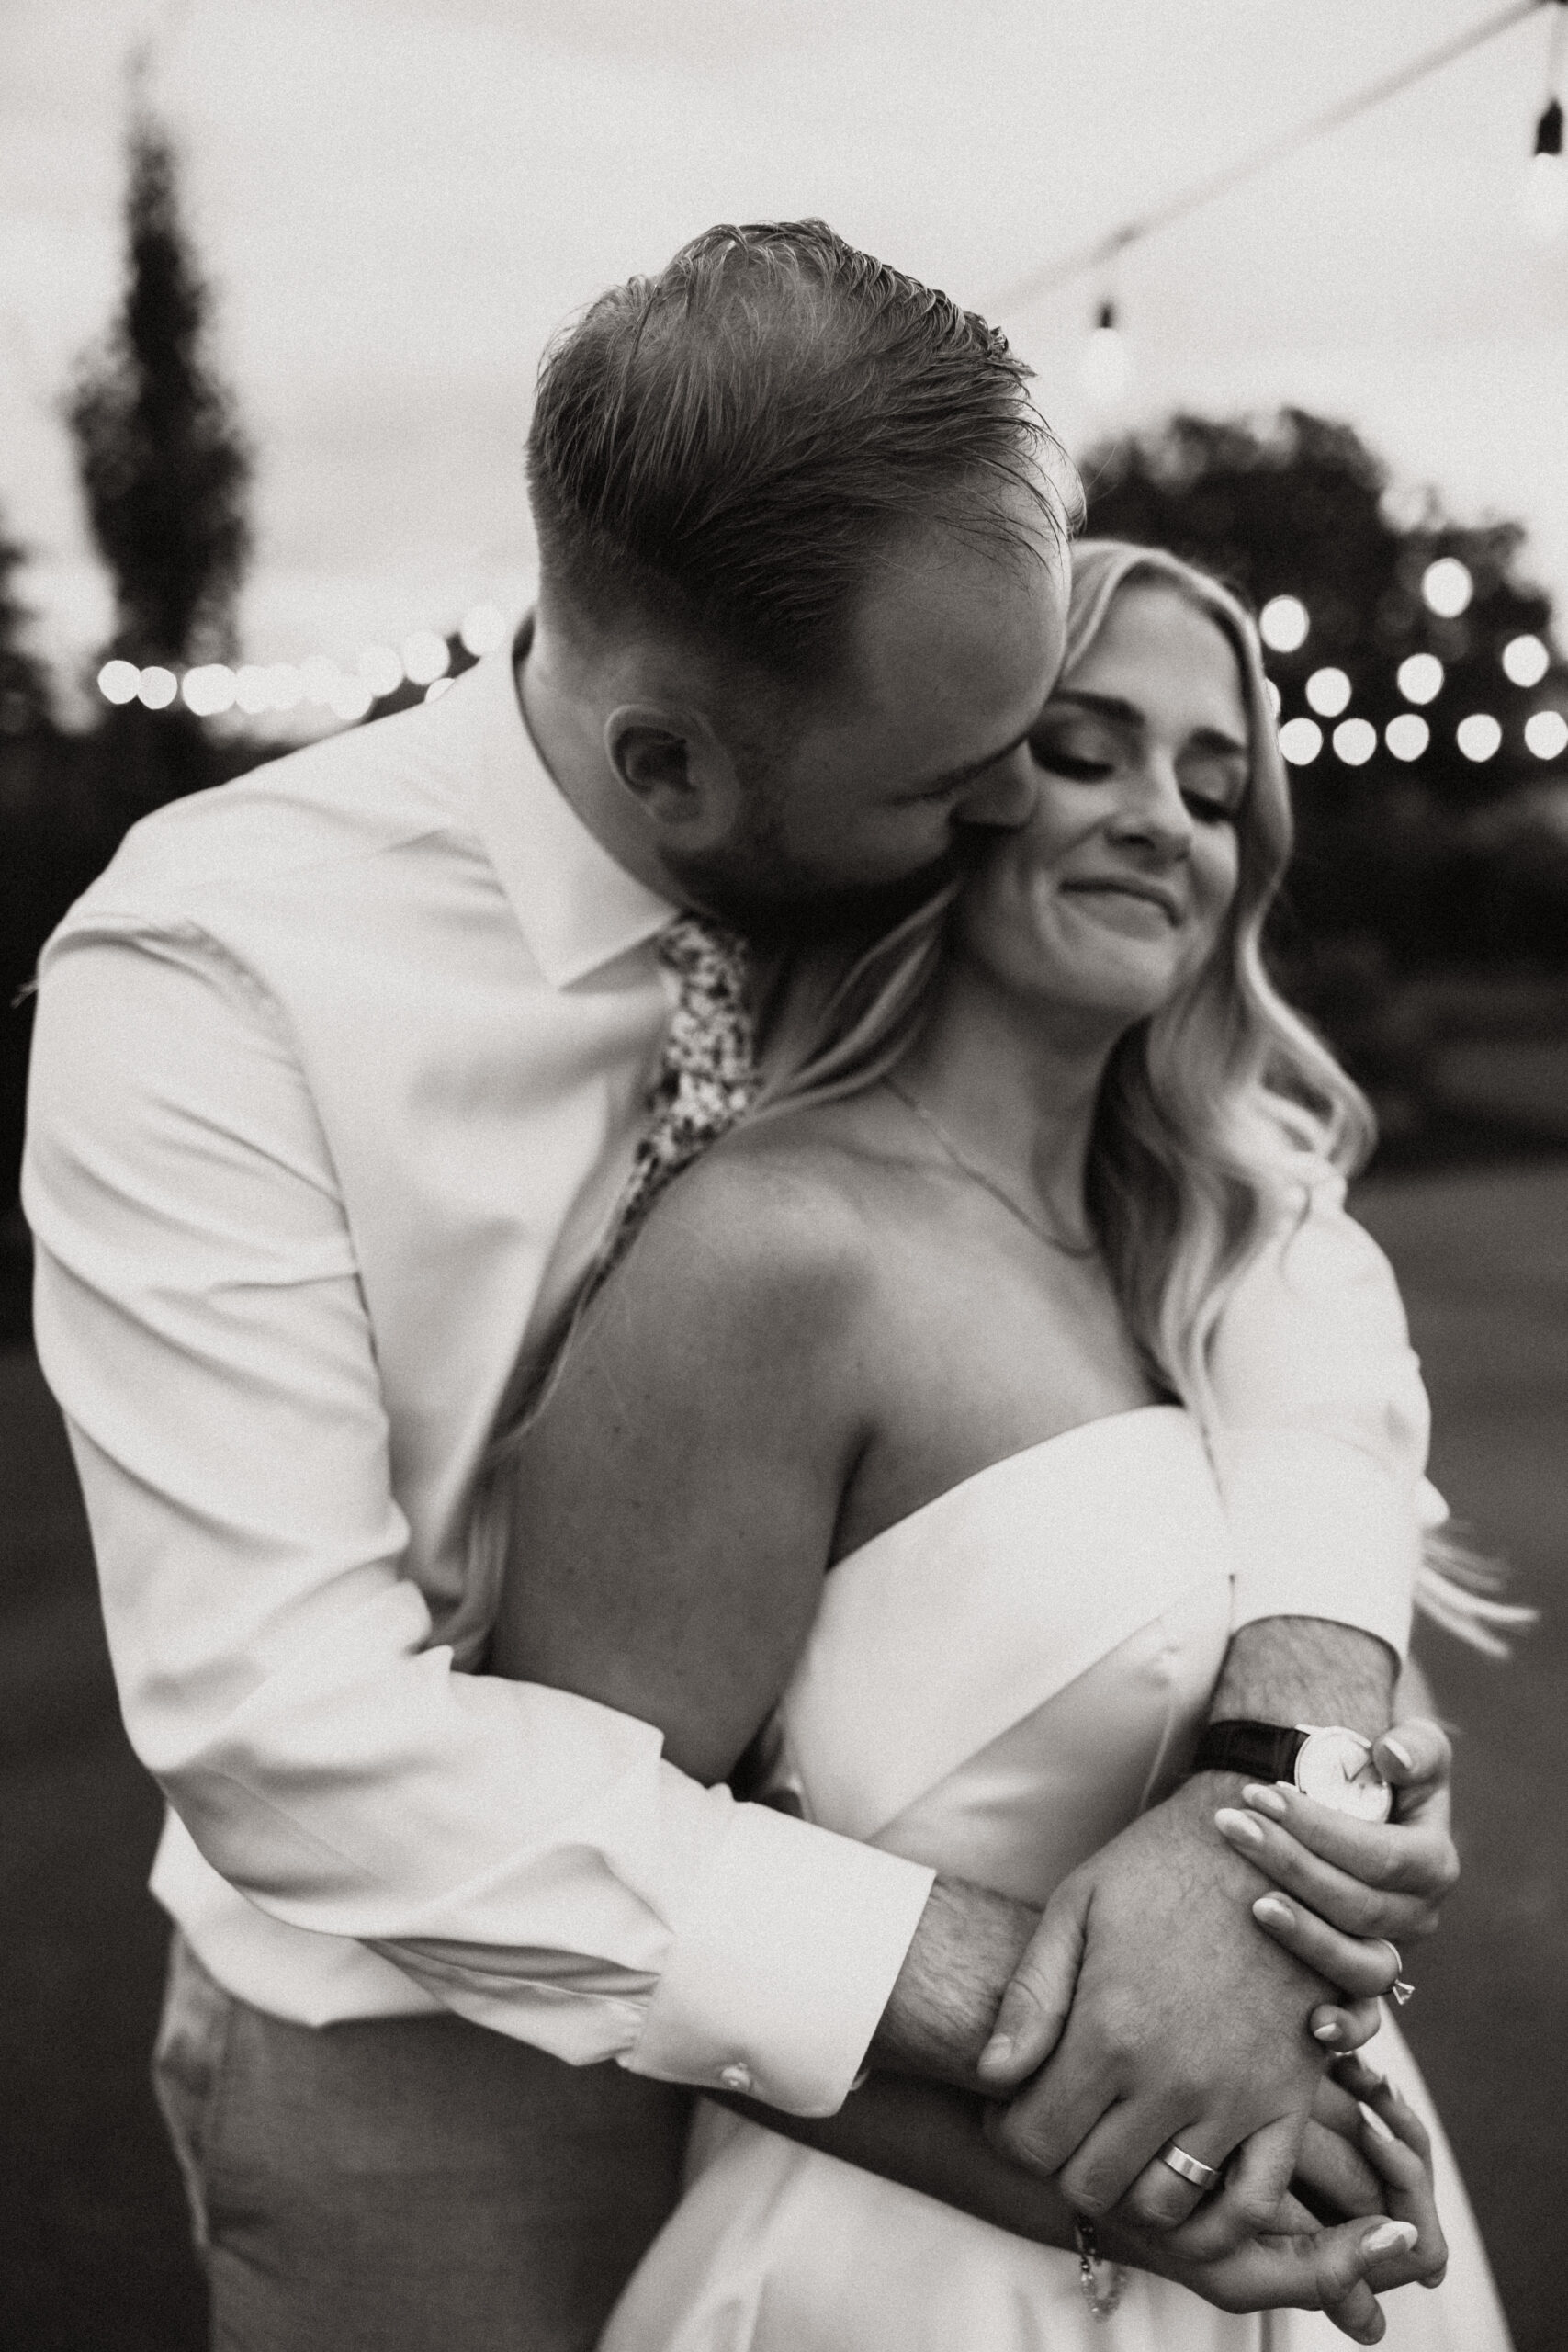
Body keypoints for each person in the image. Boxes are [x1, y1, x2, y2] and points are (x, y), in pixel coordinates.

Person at [21, 224, 1461, 2352]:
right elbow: (282, 1726)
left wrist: (1284, 1753)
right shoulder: (219, 973)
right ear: (668, 770)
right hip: (429, 2065)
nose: (1015, 805)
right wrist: (1071, 1986)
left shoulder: (870, 835)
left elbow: (1266, 1223)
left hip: (903, 2069)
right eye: (970, 770)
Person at [486, 540, 1514, 2348]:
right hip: (907, 2265)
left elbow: (1342, 1698)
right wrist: (1118, 2190)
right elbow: (595, 1876)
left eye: (1209, 785)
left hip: (1307, 2200)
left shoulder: (1226, 1258)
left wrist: (1379, 1835)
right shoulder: (779, 1244)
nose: (1158, 819)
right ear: (938, 789)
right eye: (1083, 748)